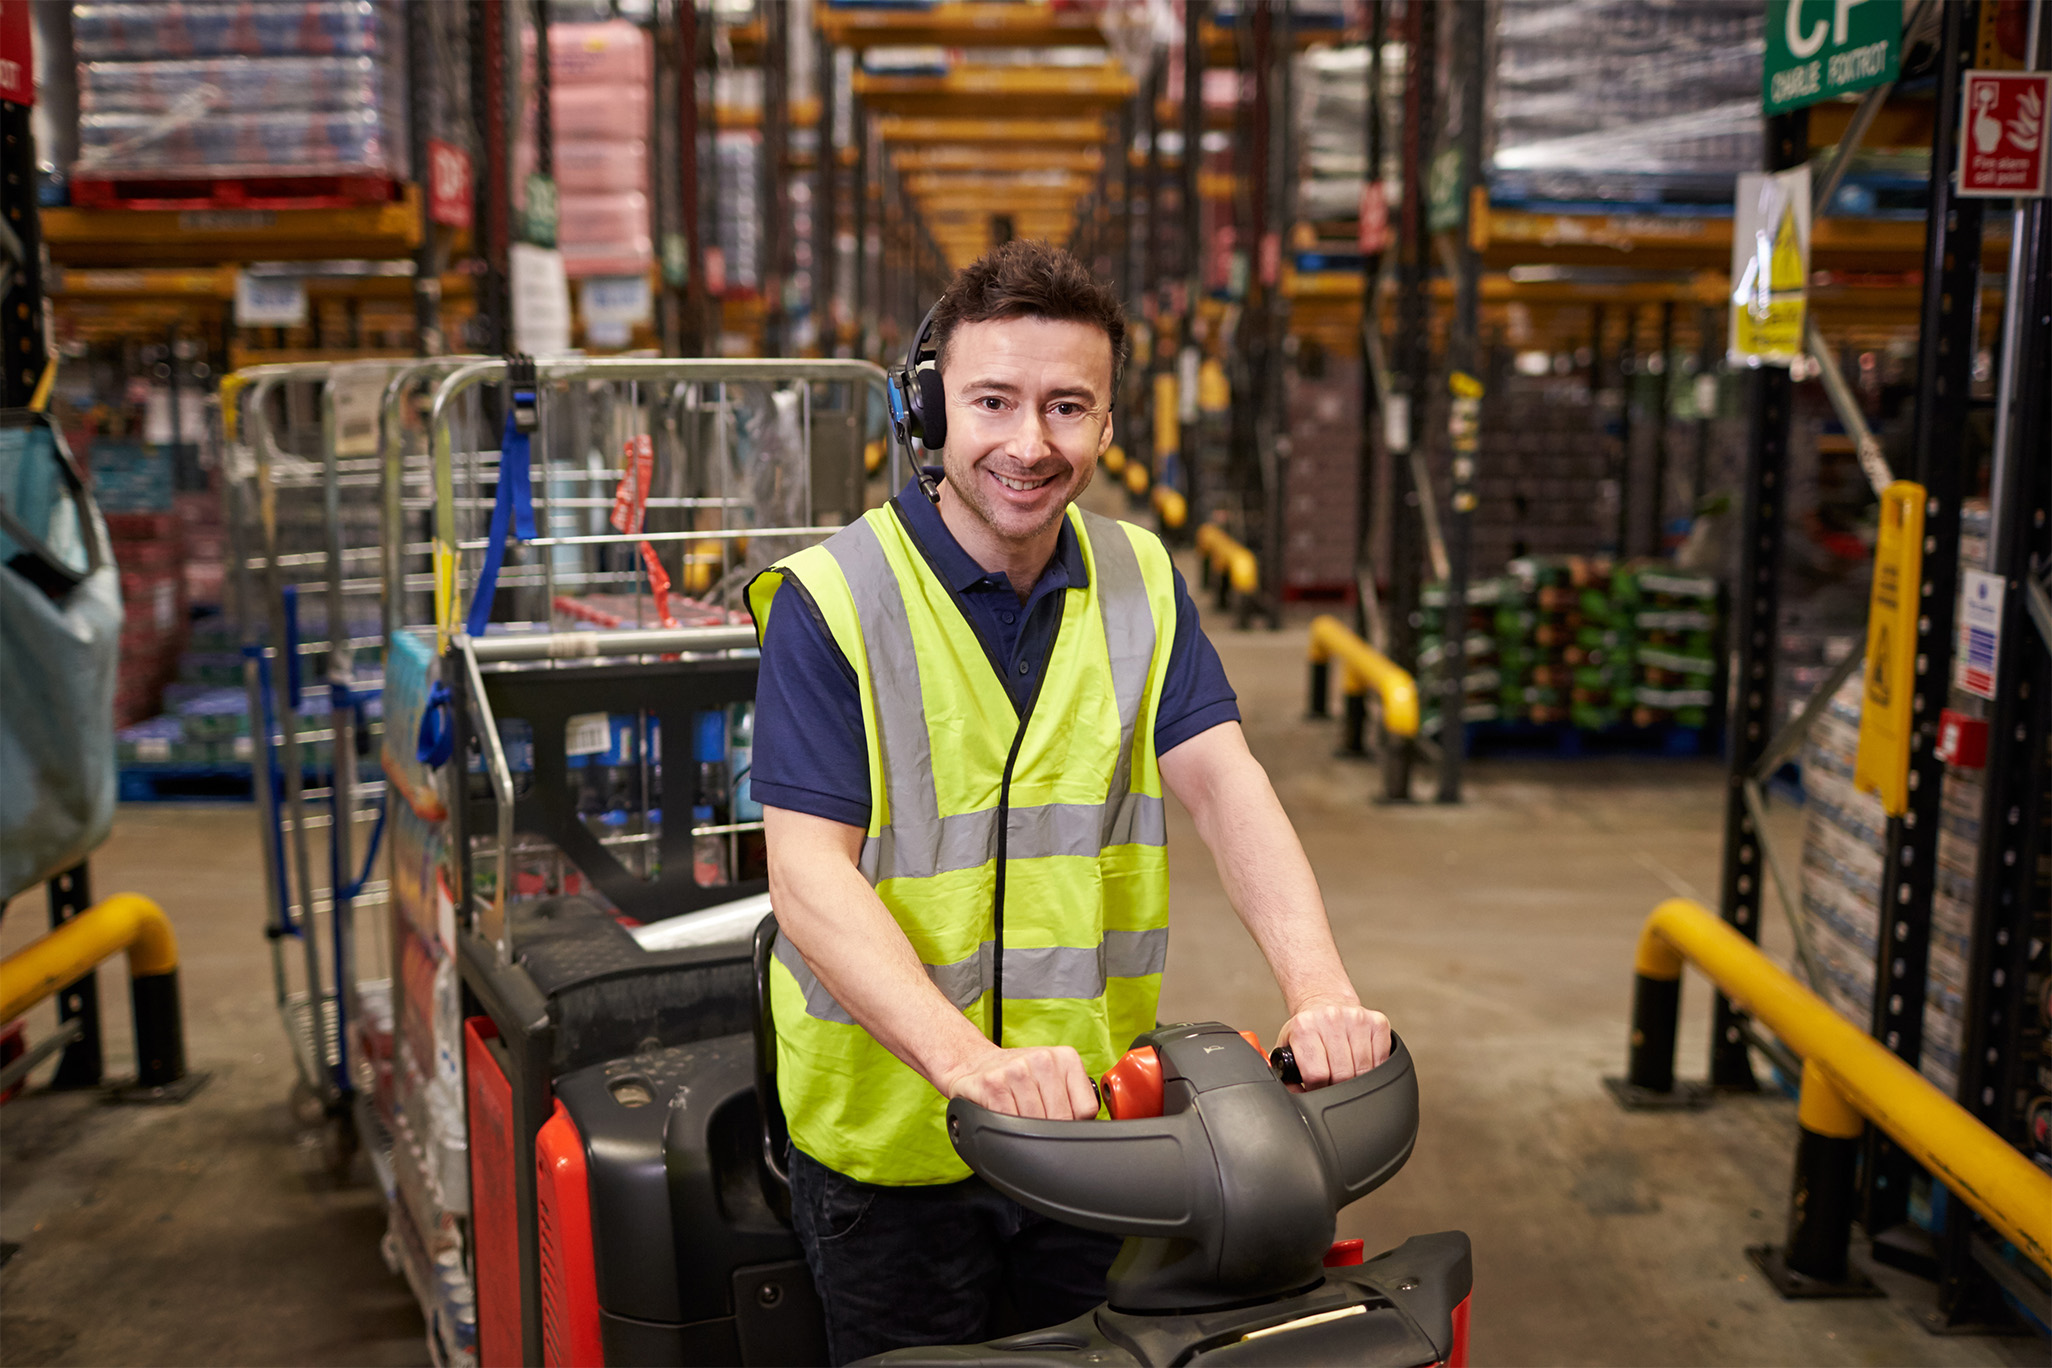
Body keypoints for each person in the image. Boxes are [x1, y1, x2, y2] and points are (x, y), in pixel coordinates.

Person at [746, 240, 1389, 1365]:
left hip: (1094, 1130)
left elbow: (1228, 786)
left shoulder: (1141, 578)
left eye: (1067, 407)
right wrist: (968, 1066)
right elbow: (806, 875)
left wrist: (1321, 987)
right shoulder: (833, 600)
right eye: (993, 401)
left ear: (1105, 425)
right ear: (931, 407)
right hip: (891, 1148)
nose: (1030, 444)